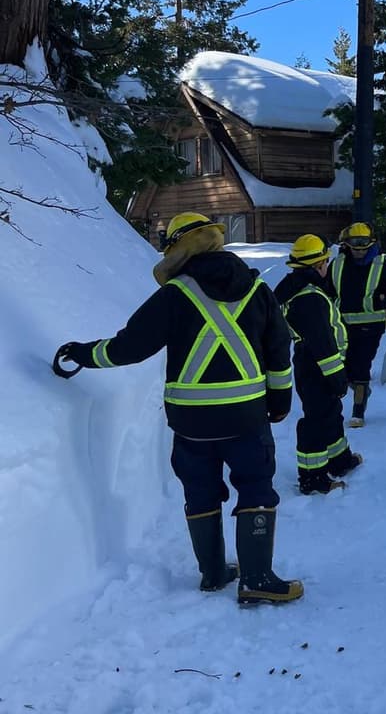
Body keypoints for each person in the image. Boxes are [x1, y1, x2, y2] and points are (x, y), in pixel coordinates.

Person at [54, 212, 303, 605]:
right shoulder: (258, 292)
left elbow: (130, 347)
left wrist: (84, 354)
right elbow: (278, 352)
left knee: (200, 491)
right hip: (247, 418)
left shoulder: (174, 295)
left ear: (175, 249)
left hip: (191, 423)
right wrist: (280, 401)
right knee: (255, 486)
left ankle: (214, 573)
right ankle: (256, 577)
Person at [275, 234, 364, 495]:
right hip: (316, 367)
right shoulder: (308, 298)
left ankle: (339, 460)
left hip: (312, 363)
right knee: (317, 420)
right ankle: (312, 477)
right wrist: (337, 379)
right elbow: (323, 346)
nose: (328, 266)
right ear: (318, 266)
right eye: (325, 261)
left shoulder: (298, 288)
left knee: (330, 414)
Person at [327, 222, 386, 427]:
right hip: (342, 325)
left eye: (364, 247)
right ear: (347, 245)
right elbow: (327, 290)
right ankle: (360, 389)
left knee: (362, 366)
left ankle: (358, 412)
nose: (359, 252)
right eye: (355, 247)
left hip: (371, 325)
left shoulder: (380, 263)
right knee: (344, 368)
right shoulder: (337, 264)